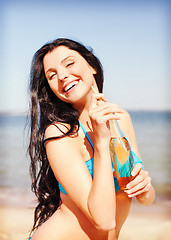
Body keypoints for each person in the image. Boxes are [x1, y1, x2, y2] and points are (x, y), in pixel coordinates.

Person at [28, 38, 155, 240]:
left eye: (69, 64)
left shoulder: (120, 118)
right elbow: (104, 220)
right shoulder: (60, 133)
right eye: (51, 75)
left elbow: (142, 197)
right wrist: (101, 143)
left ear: (92, 66)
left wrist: (145, 188)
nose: (62, 76)